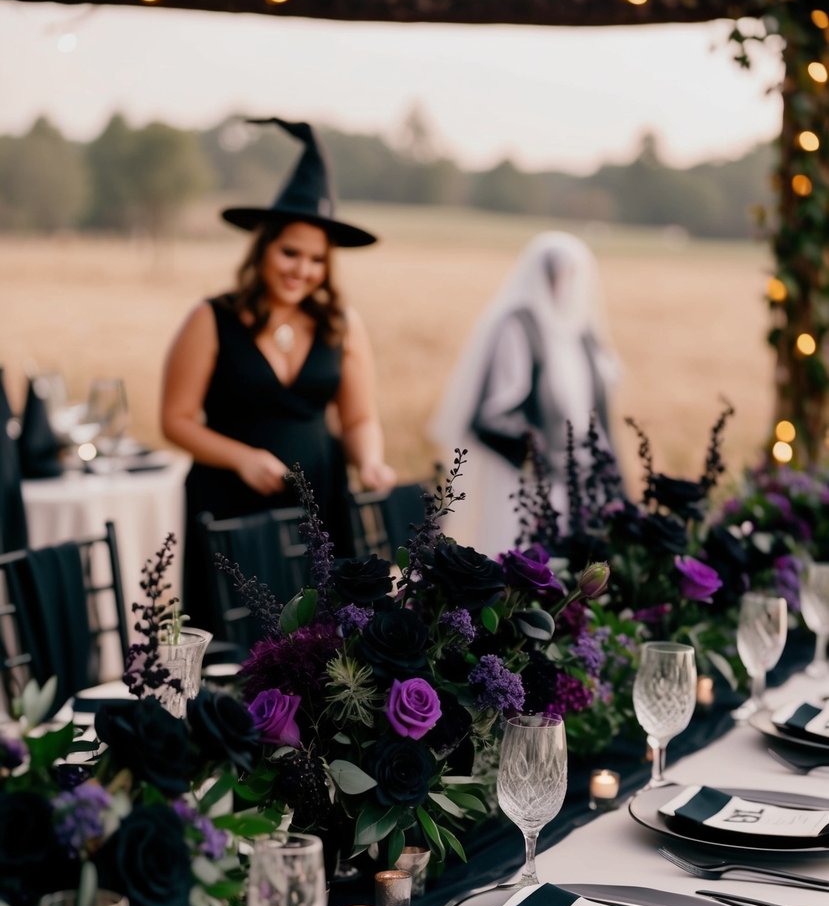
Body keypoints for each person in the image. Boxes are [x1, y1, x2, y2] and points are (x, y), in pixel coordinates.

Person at [161, 116, 396, 624]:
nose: (301, 270)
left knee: (320, 643)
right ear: (263, 246)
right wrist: (243, 458)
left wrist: (371, 461)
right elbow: (175, 419)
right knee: (239, 634)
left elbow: (358, 418)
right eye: (290, 252)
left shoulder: (341, 324)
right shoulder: (211, 318)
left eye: (316, 260)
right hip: (229, 506)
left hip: (322, 506)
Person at [430, 231, 622, 556]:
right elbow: (493, 414)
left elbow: (598, 417)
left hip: (582, 483)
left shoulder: (584, 334)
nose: (566, 283)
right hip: (521, 483)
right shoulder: (517, 328)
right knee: (517, 567)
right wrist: (543, 455)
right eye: (559, 273)